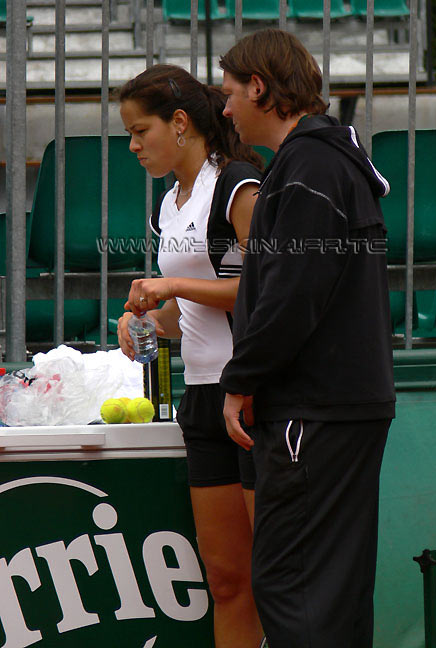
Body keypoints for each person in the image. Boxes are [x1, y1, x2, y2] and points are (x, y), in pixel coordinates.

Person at [218, 29, 396, 648]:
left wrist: (239, 380)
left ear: (260, 88)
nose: (226, 108)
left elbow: (291, 299)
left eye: (231, 92)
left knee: (294, 585)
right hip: (339, 408)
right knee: (331, 589)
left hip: (313, 411)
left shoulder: (309, 168)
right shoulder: (322, 162)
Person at [116, 64, 265, 648]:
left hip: (253, 395)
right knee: (227, 582)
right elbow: (192, 314)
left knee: (276, 581)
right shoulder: (166, 206)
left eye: (139, 131)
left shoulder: (238, 185)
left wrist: (170, 288)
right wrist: (146, 322)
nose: (132, 146)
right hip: (202, 399)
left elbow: (267, 289)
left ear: (180, 123)